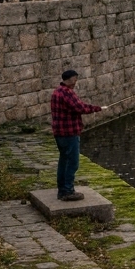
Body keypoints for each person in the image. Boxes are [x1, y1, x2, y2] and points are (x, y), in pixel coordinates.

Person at [50, 69, 103, 202]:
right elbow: (80, 108)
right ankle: (68, 191)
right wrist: (97, 108)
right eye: (75, 80)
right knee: (73, 163)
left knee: (63, 161)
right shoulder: (67, 93)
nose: (75, 83)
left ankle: (62, 190)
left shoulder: (56, 92)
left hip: (59, 133)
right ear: (69, 79)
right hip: (69, 133)